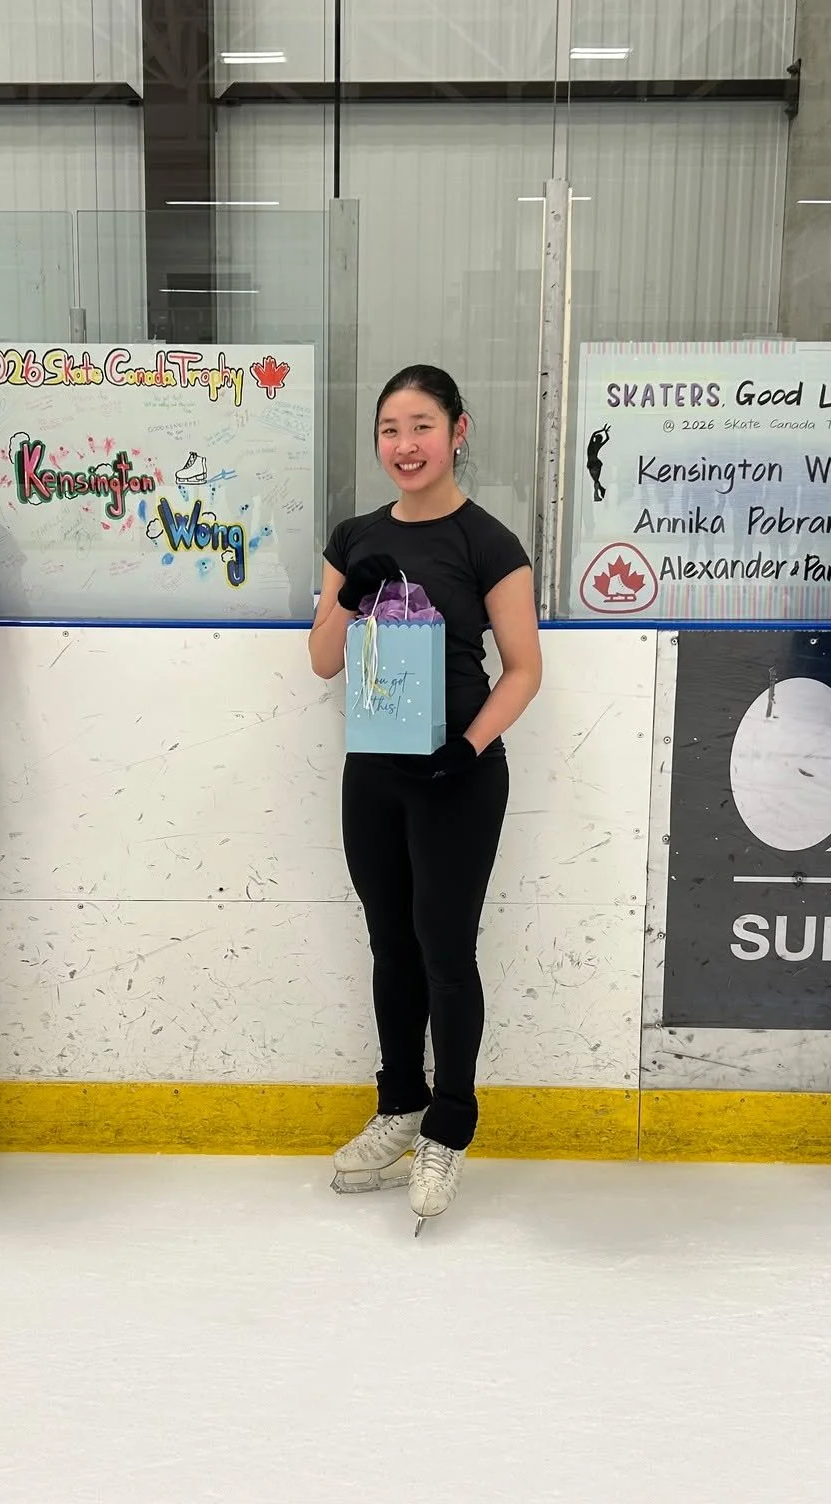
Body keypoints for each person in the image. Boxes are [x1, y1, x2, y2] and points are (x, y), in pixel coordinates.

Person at [309, 365, 543, 1232]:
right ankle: (399, 1103)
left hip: (457, 772)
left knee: (446, 949)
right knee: (389, 944)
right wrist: (351, 593)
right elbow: (323, 658)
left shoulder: (488, 540)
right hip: (373, 773)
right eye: (389, 430)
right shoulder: (356, 534)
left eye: (420, 427)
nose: (403, 446)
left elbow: (524, 669)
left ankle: (450, 1122)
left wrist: (467, 745)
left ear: (458, 431)